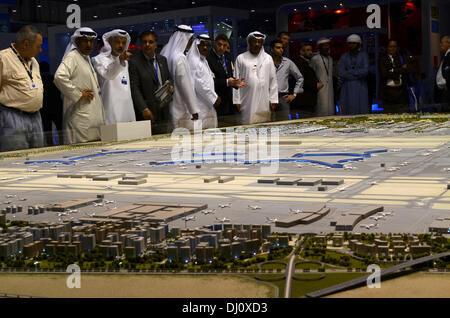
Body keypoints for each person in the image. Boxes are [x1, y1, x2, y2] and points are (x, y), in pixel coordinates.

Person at [54, 27, 105, 145]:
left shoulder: (85, 58)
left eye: (91, 41)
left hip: (91, 121)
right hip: (80, 121)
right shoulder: (73, 56)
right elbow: (59, 77)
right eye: (85, 41)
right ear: (76, 42)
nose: (88, 44)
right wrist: (78, 94)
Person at [0, 25, 44, 152]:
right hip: (12, 117)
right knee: (15, 157)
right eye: (38, 46)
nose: (41, 50)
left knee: (39, 157)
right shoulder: (3, 58)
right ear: (25, 44)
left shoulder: (34, 61)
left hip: (36, 117)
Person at [129, 31, 172, 134]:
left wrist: (171, 86)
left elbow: (169, 78)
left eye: (150, 42)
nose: (147, 45)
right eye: (144, 42)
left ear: (156, 44)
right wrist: (144, 109)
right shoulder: (134, 62)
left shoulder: (162, 60)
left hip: (164, 108)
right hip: (147, 112)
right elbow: (134, 88)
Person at [233, 31, 278, 125]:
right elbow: (236, 81)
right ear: (249, 42)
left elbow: (273, 80)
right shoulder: (241, 58)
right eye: (254, 41)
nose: (257, 44)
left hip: (264, 99)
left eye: (260, 42)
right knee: (248, 125)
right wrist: (237, 100)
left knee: (264, 125)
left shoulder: (268, 58)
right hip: (246, 99)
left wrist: (273, 99)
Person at [92, 29, 136, 125]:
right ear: (109, 42)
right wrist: (119, 61)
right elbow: (108, 75)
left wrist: (121, 60)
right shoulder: (98, 60)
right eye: (117, 42)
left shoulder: (125, 61)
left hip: (126, 108)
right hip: (110, 108)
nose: (121, 45)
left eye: (124, 43)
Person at [160, 25, 200, 131]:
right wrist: (194, 110)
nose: (191, 42)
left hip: (168, 106)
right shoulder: (179, 57)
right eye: (190, 39)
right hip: (181, 108)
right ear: (185, 38)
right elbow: (185, 86)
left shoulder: (165, 52)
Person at [206, 34, 246, 127]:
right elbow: (209, 81)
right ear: (214, 44)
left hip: (229, 100)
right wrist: (228, 82)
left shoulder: (227, 57)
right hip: (216, 99)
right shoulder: (207, 58)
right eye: (219, 45)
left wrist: (236, 82)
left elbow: (229, 76)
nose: (221, 48)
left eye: (224, 45)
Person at [187, 34, 221, 129]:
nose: (205, 47)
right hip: (199, 108)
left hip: (207, 106)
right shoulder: (194, 61)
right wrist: (214, 98)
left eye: (207, 45)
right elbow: (199, 84)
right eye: (202, 45)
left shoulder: (203, 60)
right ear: (196, 45)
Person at [270, 39, 304, 121]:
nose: (281, 50)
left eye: (282, 48)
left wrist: (294, 94)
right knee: (268, 124)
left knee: (284, 123)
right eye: (278, 48)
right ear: (271, 49)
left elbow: (300, 77)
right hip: (268, 97)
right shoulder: (265, 62)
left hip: (283, 97)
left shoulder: (287, 62)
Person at [338, 34, 369, 115]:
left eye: (354, 43)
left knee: (361, 109)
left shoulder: (364, 55)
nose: (351, 45)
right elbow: (341, 72)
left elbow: (365, 71)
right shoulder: (344, 56)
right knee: (347, 109)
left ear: (358, 44)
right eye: (350, 43)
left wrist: (350, 71)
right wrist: (357, 74)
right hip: (347, 87)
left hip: (360, 86)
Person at [292, 42, 323, 118]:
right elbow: (301, 80)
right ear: (301, 52)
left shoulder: (306, 61)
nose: (311, 52)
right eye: (308, 50)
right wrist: (315, 85)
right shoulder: (299, 62)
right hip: (304, 99)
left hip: (307, 99)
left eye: (311, 50)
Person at [378, 39, 409, 113]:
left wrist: (393, 70)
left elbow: (407, 70)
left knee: (403, 116)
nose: (393, 48)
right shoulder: (382, 59)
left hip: (401, 93)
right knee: (389, 117)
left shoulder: (401, 58)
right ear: (387, 47)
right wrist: (399, 71)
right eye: (390, 46)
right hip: (388, 93)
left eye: (394, 46)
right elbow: (384, 74)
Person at [39, 61, 63, 146]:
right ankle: (63, 145)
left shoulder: (39, 81)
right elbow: (60, 92)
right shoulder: (55, 79)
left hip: (44, 109)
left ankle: (50, 146)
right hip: (57, 108)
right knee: (60, 129)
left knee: (47, 130)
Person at [311, 38, 334, 116]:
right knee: (321, 108)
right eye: (324, 45)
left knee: (330, 108)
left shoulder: (330, 59)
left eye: (327, 45)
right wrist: (315, 84)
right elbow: (311, 73)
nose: (326, 47)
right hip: (320, 88)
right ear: (319, 47)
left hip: (330, 88)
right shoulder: (315, 59)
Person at [435, 35, 450, 107]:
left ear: (448, 43)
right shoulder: (446, 55)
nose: (440, 45)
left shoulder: (449, 56)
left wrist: (447, 85)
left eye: (442, 42)